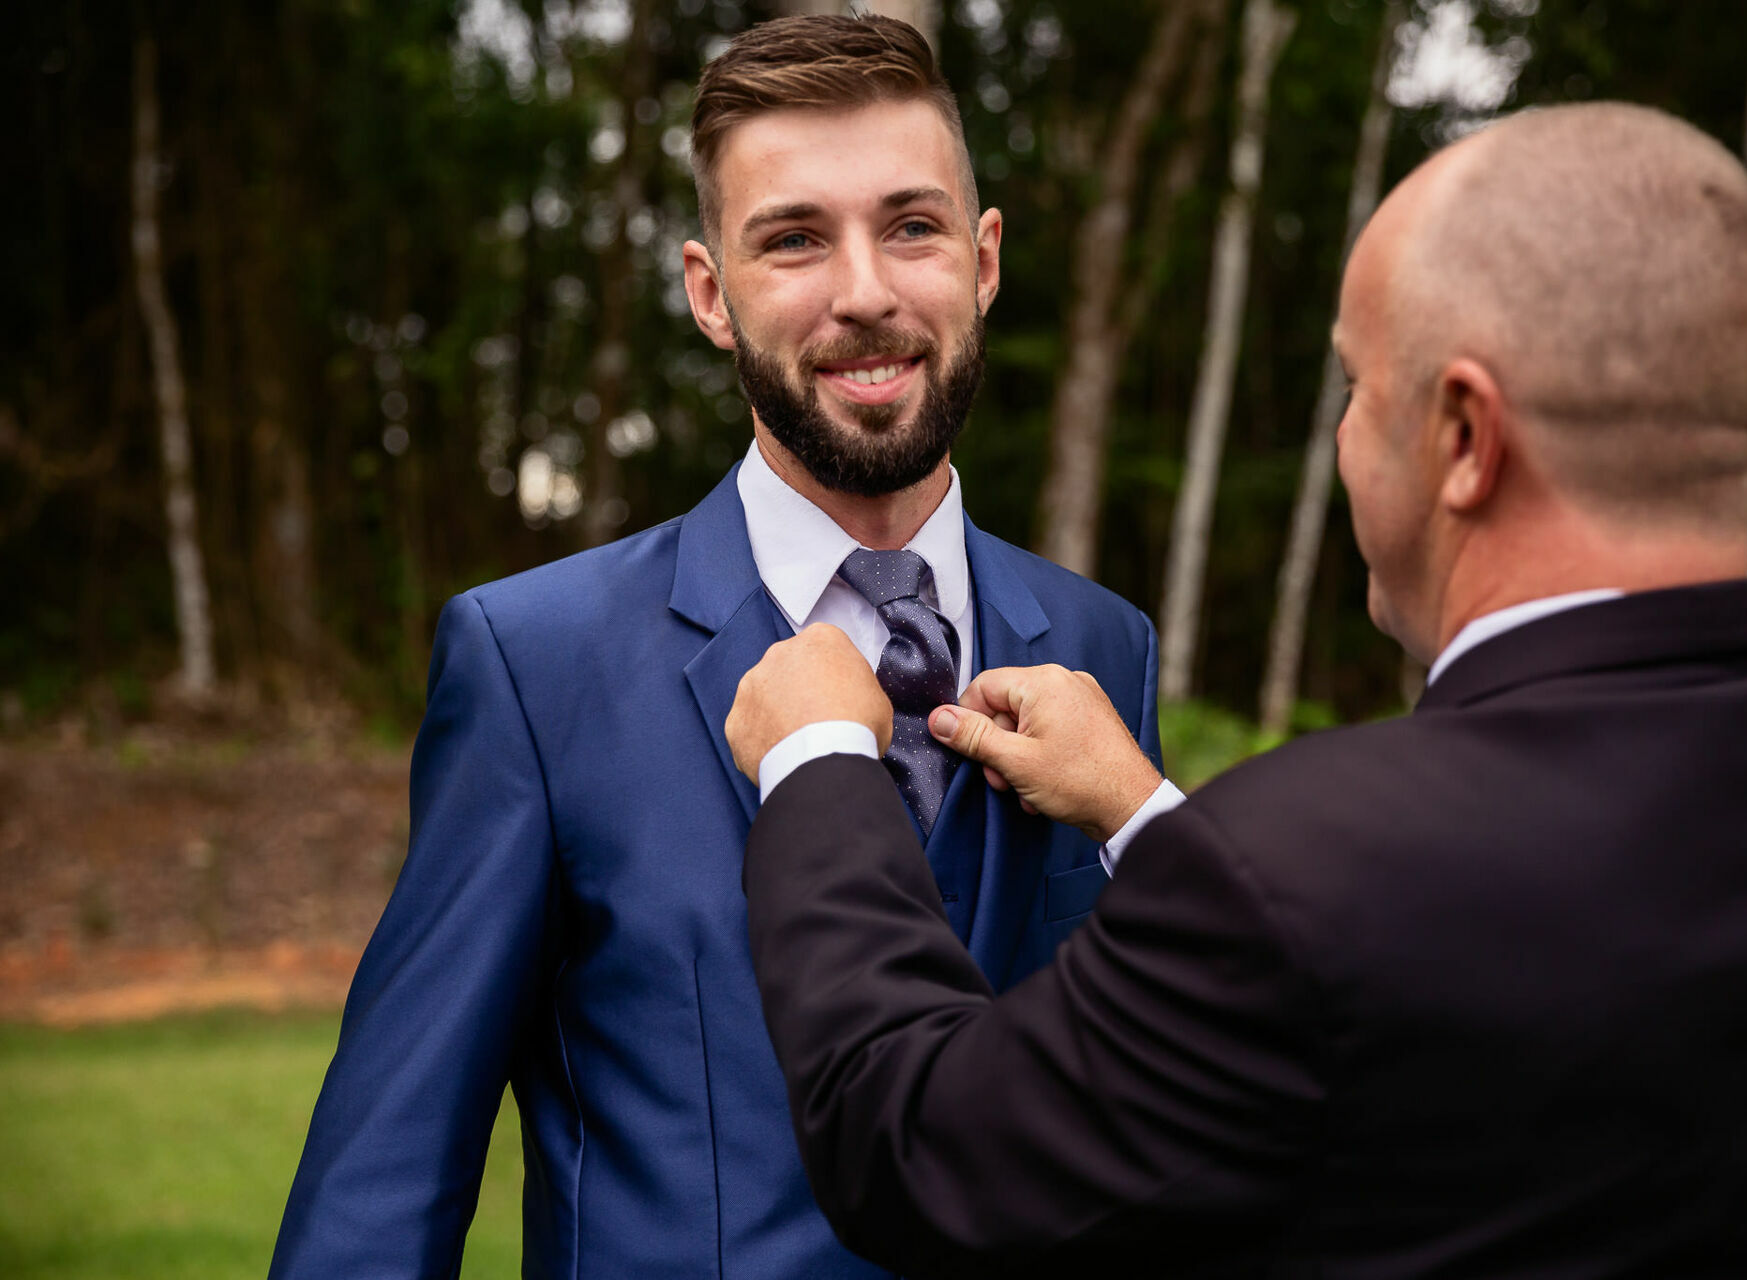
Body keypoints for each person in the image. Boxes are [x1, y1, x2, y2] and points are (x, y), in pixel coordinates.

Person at [726, 102, 1747, 1277]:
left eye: (1359, 386)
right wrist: (1147, 815)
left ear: (1462, 438)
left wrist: (823, 763)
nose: (1348, 438)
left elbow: (923, 1150)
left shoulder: (1302, 866)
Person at [268, 16, 1160, 1279]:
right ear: (709, 293)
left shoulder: (1101, 642)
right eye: (794, 238)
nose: (864, 290)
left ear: (984, 257)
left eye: (910, 226)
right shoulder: (535, 663)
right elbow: (385, 1179)